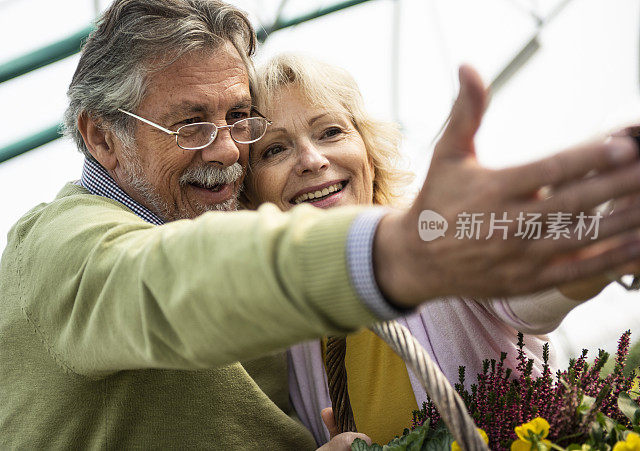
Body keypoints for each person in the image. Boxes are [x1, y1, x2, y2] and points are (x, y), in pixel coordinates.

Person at [0, 0, 640, 448]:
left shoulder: (434, 247)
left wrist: (598, 229)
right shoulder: (61, 250)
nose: (222, 149)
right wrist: (401, 254)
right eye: (191, 122)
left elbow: (517, 276)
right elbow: (171, 281)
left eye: (238, 120)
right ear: (101, 136)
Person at [241, 53, 640, 445]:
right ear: (251, 191)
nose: (312, 160)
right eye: (274, 150)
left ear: (368, 151)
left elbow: (522, 289)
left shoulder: (437, 238)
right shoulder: (287, 334)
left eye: (330, 132)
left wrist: (604, 244)